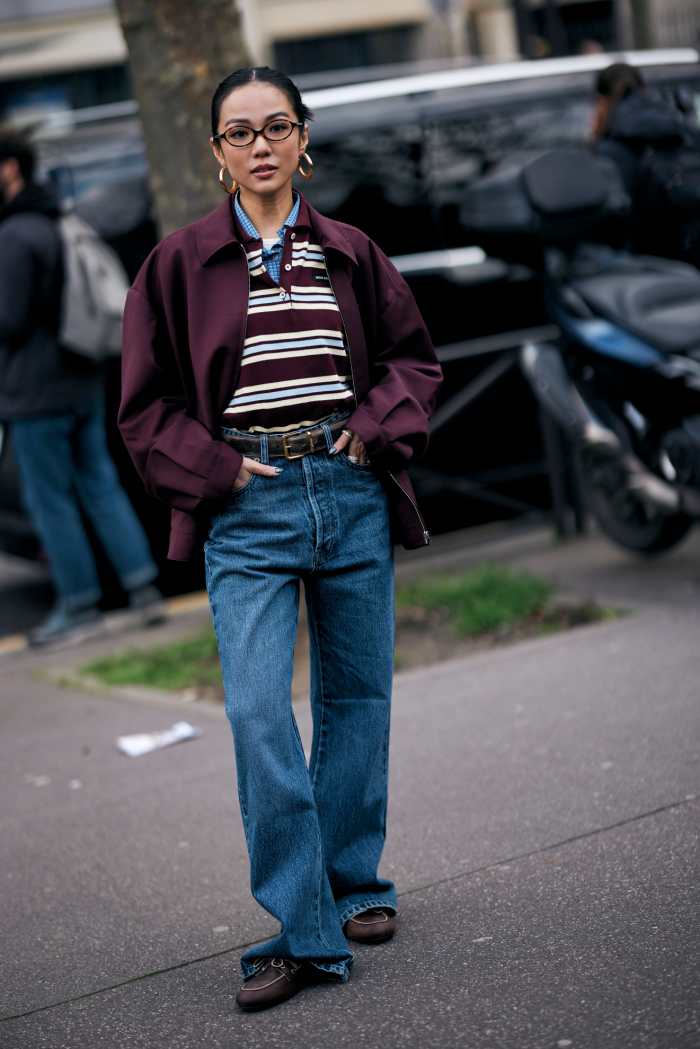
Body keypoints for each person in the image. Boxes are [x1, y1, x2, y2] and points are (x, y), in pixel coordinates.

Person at [118, 66, 442, 1011]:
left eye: (277, 127)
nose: (260, 145)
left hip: (348, 492)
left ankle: (354, 887)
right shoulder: (177, 265)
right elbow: (144, 410)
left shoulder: (351, 251)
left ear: (304, 139)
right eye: (239, 132)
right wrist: (216, 472)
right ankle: (303, 924)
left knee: (357, 696)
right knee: (260, 713)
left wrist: (374, 429)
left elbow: (415, 362)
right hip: (246, 509)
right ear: (217, 154)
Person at [0, 132, 164, 646]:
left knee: (49, 497)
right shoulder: (61, 221)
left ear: (9, 170)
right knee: (99, 480)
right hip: (81, 375)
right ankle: (143, 589)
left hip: (33, 389)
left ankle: (78, 604)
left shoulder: (14, 235)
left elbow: (8, 319)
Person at [591, 62, 700, 261]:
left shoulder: (610, 149)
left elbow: (610, 221)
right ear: (643, 89)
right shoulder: (682, 128)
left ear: (601, 102)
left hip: (650, 265)